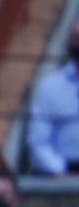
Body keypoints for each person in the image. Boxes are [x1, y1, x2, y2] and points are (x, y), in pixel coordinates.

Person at [28, 23, 79, 175]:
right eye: (76, 37)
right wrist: (63, 171)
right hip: (62, 173)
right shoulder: (50, 86)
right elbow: (38, 140)